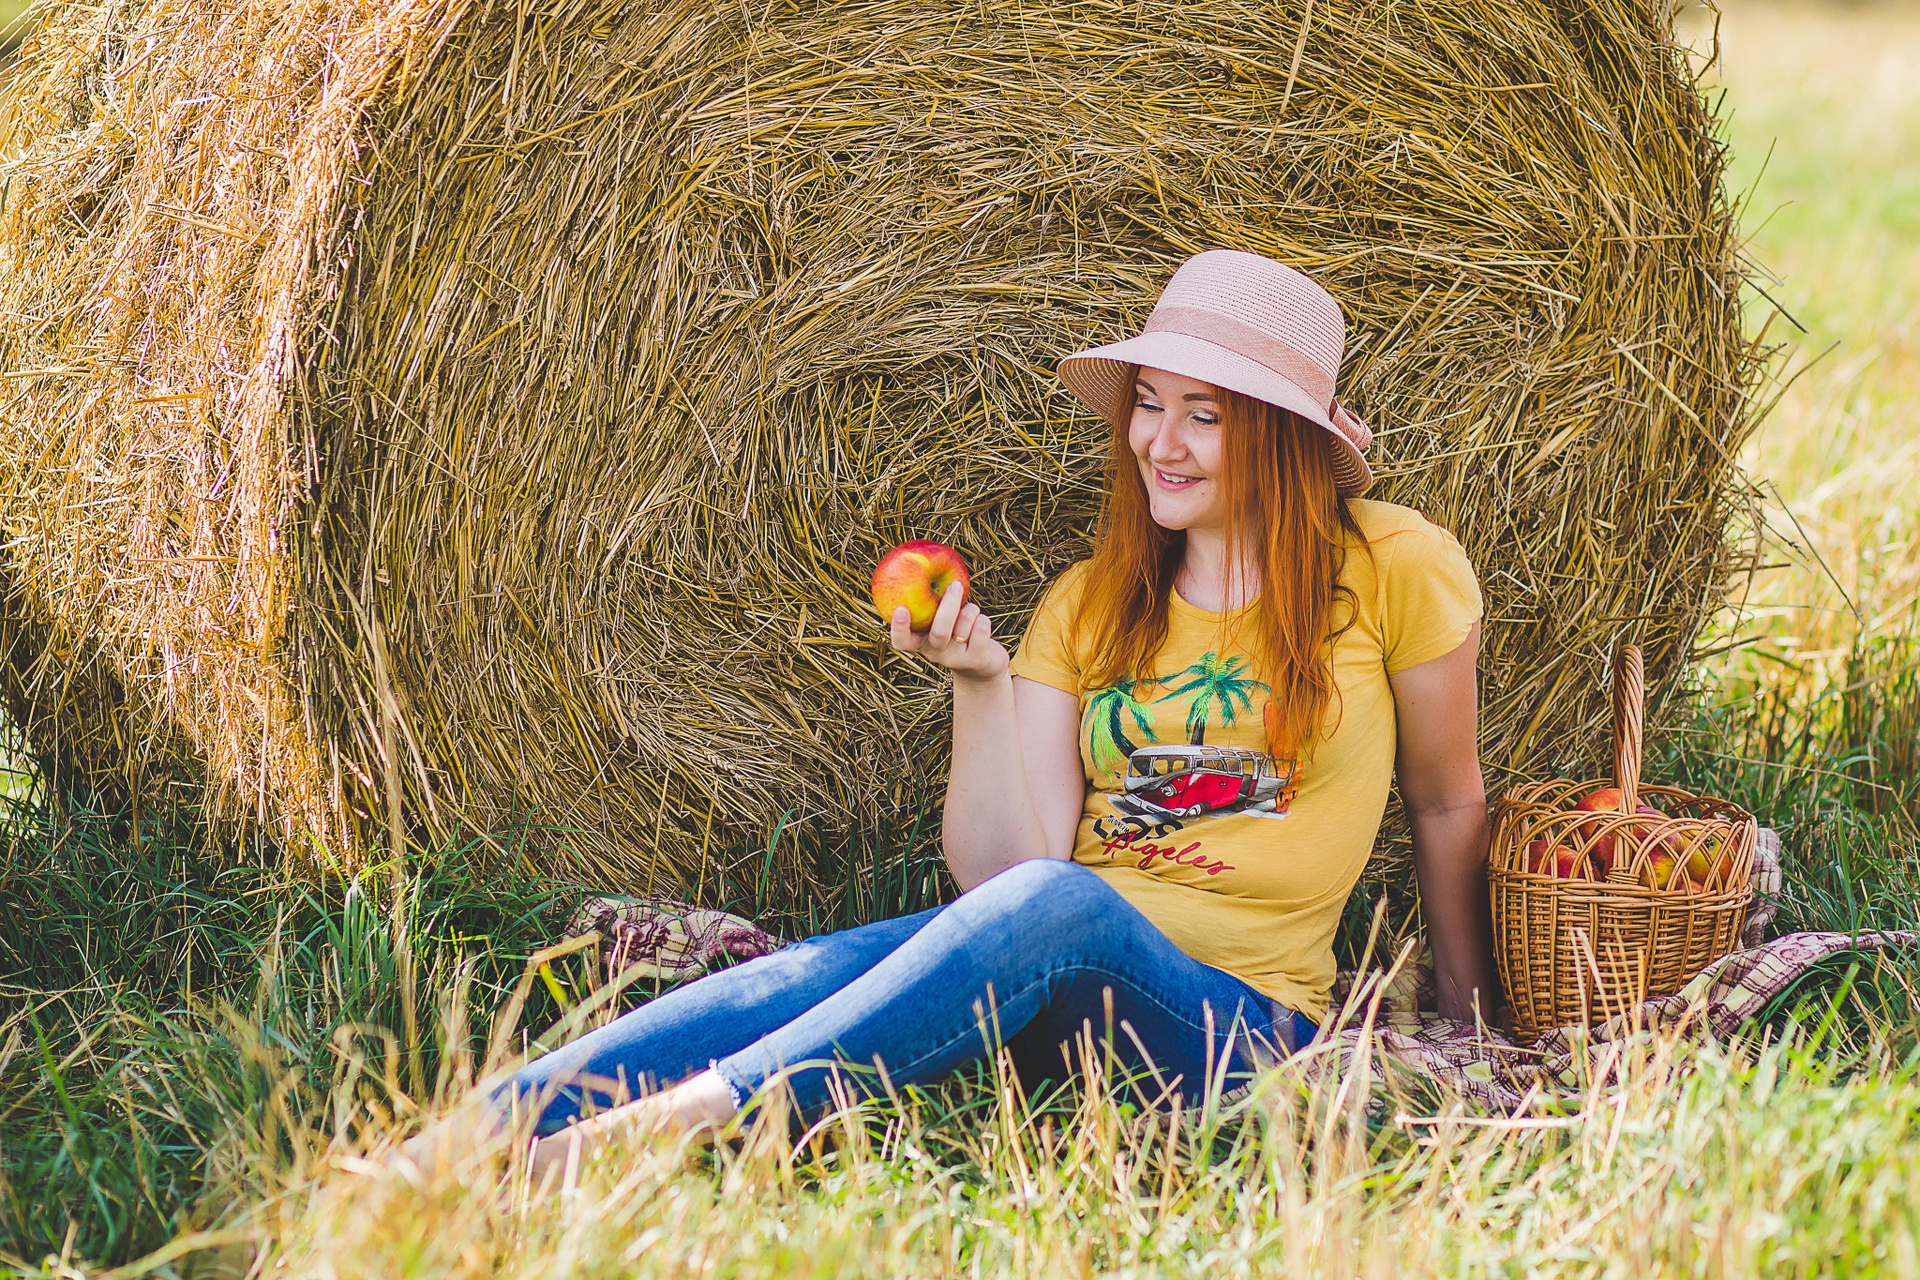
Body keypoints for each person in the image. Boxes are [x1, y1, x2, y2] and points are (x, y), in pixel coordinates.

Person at [471, 249, 1496, 1173]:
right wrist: (980, 683)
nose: (1159, 442)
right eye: (1149, 403)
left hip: (1235, 1028)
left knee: (1057, 907)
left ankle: (657, 1135)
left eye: (1206, 415)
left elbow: (1446, 800)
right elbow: (1005, 882)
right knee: (828, 968)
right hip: (1049, 986)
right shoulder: (1089, 604)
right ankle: (464, 1140)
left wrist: (1472, 1015)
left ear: (1281, 433)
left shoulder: (1392, 566)